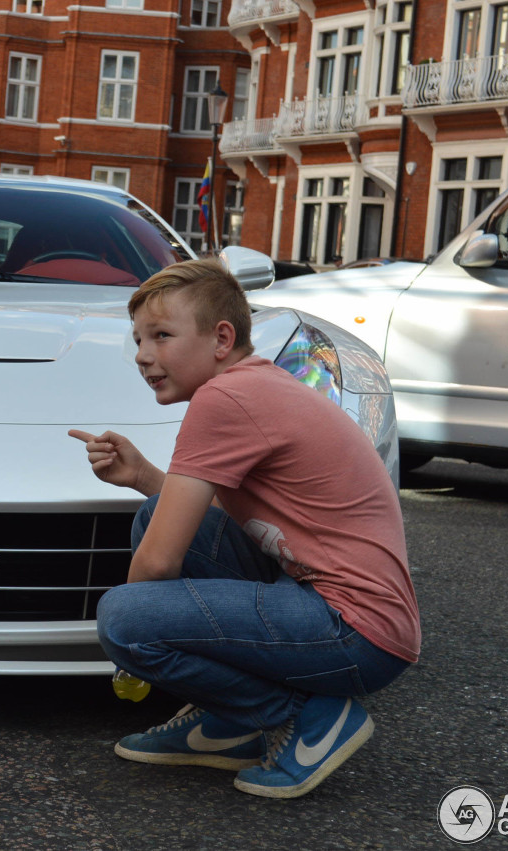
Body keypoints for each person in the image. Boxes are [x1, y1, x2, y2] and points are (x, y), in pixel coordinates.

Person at [69, 258, 419, 799]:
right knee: (150, 516)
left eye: (162, 336)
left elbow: (159, 562)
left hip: (355, 631)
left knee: (123, 617)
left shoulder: (223, 400)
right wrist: (142, 477)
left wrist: (133, 647)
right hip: (340, 609)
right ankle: (228, 725)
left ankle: (301, 716)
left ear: (221, 337)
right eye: (138, 339)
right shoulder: (255, 385)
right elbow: (209, 520)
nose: (143, 355)